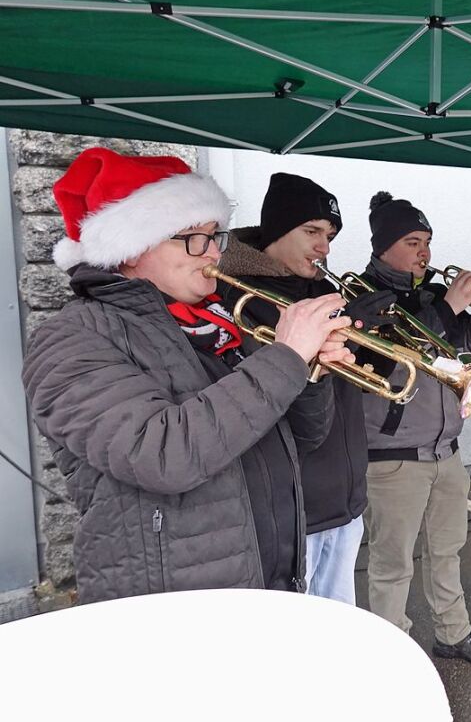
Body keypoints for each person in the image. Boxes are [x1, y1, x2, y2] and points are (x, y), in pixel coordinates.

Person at [22, 148, 350, 604]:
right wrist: (286, 356)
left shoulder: (220, 321)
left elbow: (304, 436)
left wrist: (311, 372)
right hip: (173, 605)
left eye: (215, 236)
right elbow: (163, 455)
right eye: (193, 238)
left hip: (270, 583)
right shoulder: (70, 339)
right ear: (132, 249)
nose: (213, 252)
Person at [215, 172, 393, 605]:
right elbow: (263, 394)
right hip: (292, 509)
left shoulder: (325, 290)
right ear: (276, 231)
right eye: (312, 231)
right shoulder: (240, 294)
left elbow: (373, 377)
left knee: (341, 633)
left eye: (329, 234)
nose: (325, 247)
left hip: (345, 497)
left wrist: (378, 336)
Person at [359, 191, 471, 667]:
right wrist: (447, 306)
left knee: (448, 550)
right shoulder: (361, 297)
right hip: (393, 456)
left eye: (426, 241)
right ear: (383, 246)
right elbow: (391, 358)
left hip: (446, 449)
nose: (424, 252)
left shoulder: (429, 296)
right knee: (391, 564)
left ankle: (453, 633)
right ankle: (390, 654)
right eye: (412, 241)